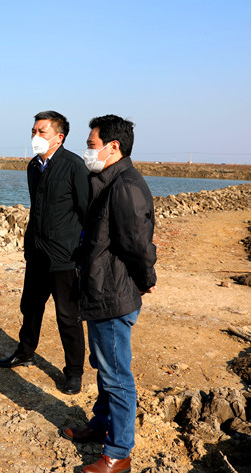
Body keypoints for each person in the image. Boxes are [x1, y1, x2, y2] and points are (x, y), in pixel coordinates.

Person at [62, 115, 157, 473]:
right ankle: (101, 424)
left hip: (113, 295)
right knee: (104, 366)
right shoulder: (108, 181)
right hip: (100, 289)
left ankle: (118, 453)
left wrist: (146, 278)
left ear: (113, 147)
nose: (87, 151)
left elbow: (138, 244)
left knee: (117, 376)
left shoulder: (126, 186)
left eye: (91, 145)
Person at [0, 111, 89, 396]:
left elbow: (87, 211)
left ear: (59, 137)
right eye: (33, 131)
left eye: (41, 131)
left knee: (67, 317)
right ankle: (25, 352)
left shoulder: (74, 166)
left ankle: (74, 372)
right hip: (37, 253)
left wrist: (81, 252)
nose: (35, 136)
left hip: (65, 257)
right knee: (30, 307)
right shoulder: (33, 166)